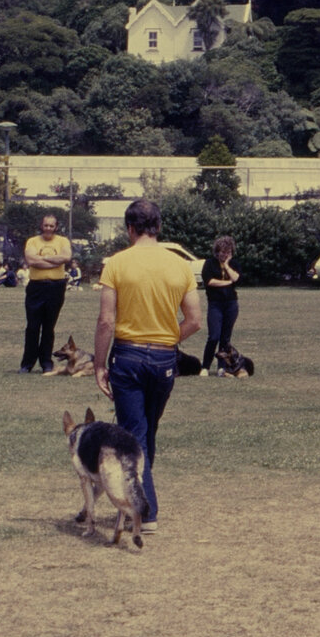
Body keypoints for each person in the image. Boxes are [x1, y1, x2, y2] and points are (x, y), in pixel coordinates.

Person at [93, 200, 201, 535]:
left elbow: (107, 320)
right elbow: (195, 321)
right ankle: (141, 497)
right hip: (165, 361)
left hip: (128, 357)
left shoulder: (116, 263)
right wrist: (168, 339)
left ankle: (146, 511)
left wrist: (98, 364)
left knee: (134, 435)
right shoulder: (180, 265)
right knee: (146, 431)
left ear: (130, 228)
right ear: (158, 227)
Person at [19, 214, 74, 373]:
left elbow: (66, 257)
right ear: (41, 226)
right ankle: (27, 363)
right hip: (36, 287)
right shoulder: (33, 241)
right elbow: (31, 260)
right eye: (46, 225)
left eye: (51, 226)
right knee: (32, 327)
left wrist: (43, 258)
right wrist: (53, 261)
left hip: (56, 288)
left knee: (49, 327)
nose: (48, 228)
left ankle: (46, 363)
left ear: (56, 227)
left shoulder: (63, 241)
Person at [200, 235, 240, 371]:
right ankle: (205, 366)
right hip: (215, 304)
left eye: (228, 252)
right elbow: (209, 281)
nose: (224, 254)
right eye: (222, 251)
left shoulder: (234, 264)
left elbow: (236, 277)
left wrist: (227, 265)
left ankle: (221, 367)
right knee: (214, 336)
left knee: (225, 338)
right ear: (217, 251)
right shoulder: (209, 263)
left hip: (231, 304)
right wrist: (227, 283)